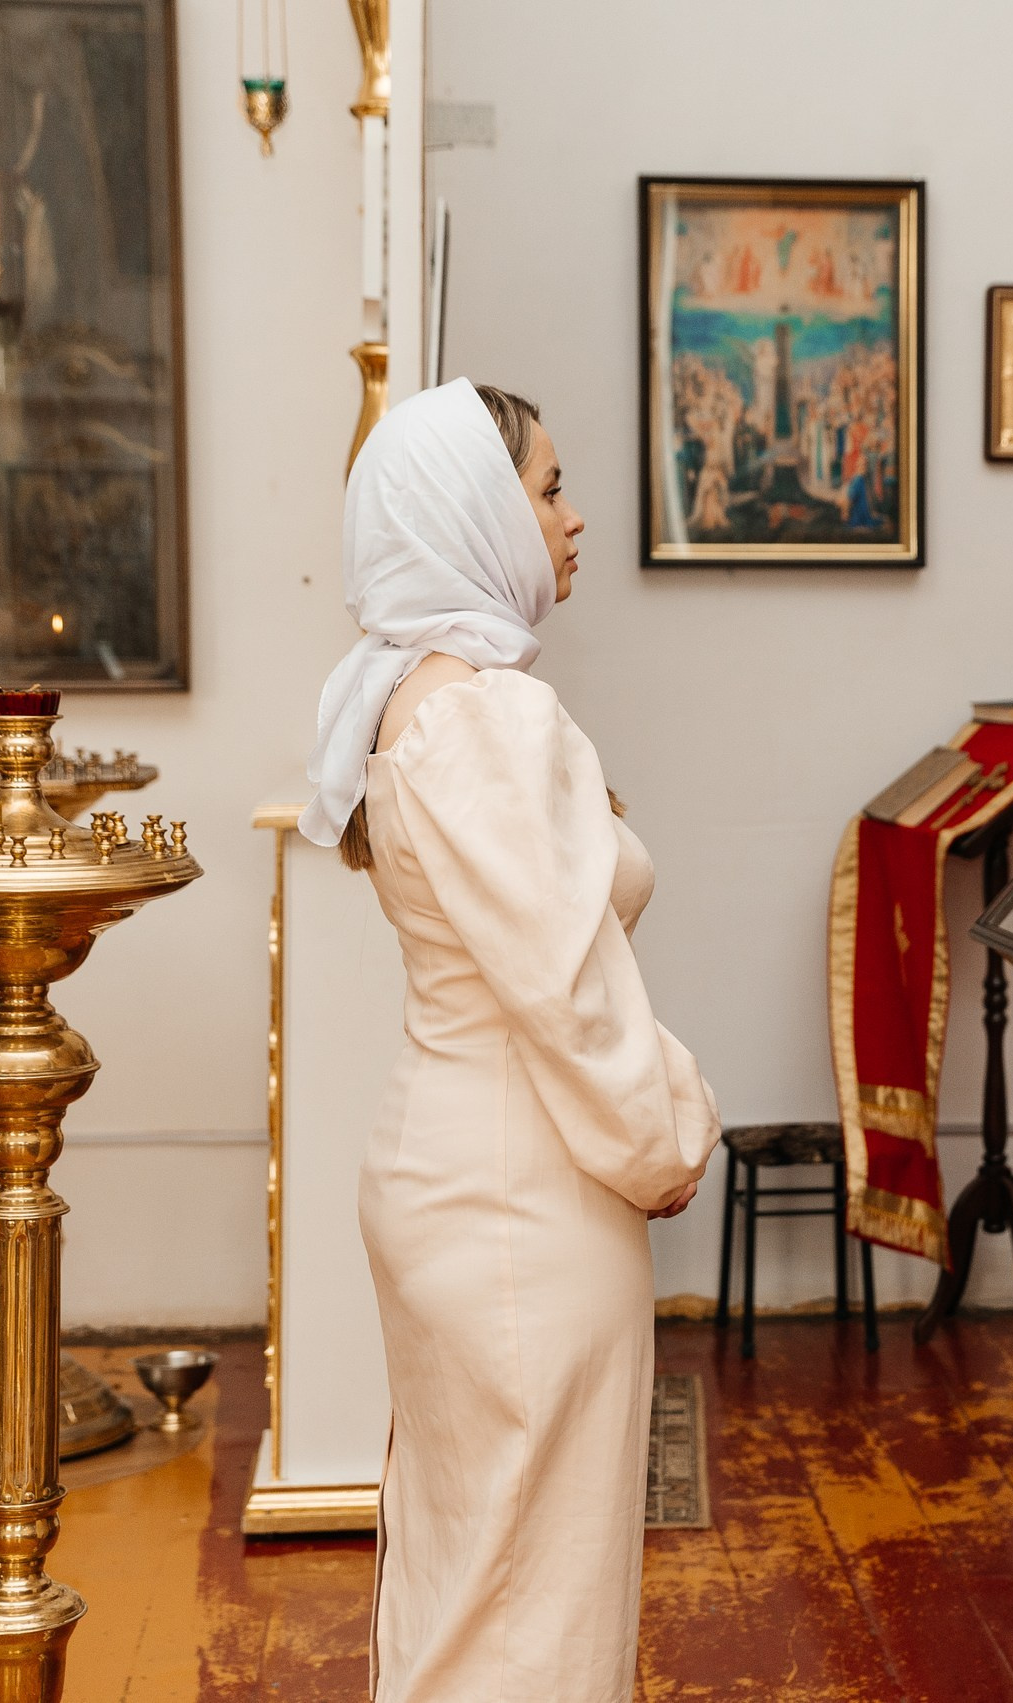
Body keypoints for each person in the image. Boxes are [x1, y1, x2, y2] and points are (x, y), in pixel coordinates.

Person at [299, 378, 720, 1703]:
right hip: (519, 1193)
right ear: (474, 512)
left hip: (457, 1167)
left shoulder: (408, 696)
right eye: (546, 489)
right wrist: (670, 1137)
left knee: (469, 1577)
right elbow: (566, 992)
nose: (574, 517)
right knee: (527, 1613)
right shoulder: (482, 709)